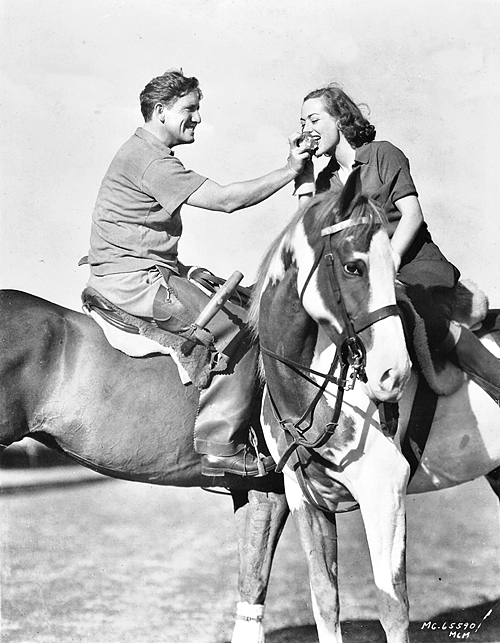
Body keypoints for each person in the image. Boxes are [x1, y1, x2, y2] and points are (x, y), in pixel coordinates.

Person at [87, 69, 310, 477]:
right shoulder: (152, 160)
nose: (198, 118)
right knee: (239, 333)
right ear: (160, 111)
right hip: (134, 281)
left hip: (132, 271)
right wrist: (291, 170)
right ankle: (221, 446)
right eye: (189, 109)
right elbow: (226, 201)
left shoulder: (144, 153)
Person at [293, 83, 500, 402]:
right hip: (367, 278)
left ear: (339, 119)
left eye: (314, 120)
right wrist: (304, 177)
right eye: (302, 123)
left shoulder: (382, 154)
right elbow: (309, 233)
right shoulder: (327, 181)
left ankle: (495, 377)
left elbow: (412, 214)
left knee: (424, 320)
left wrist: (390, 259)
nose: (307, 129)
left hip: (416, 268)